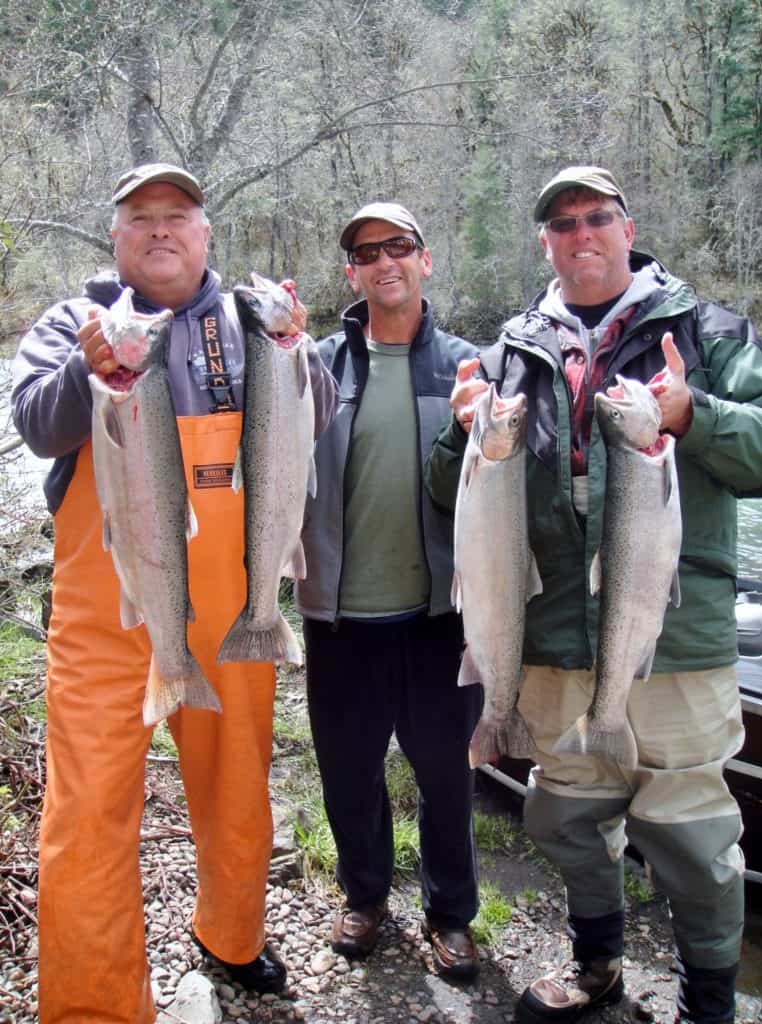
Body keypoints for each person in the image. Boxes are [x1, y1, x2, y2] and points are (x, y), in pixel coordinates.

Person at [425, 166, 762, 1024]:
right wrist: (459, 433)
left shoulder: (710, 329)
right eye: (563, 223)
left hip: (673, 637)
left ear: (628, 225)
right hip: (549, 637)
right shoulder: (509, 352)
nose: (581, 235)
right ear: (545, 241)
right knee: (567, 817)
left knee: (690, 834)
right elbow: (446, 494)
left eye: (597, 218)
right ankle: (598, 962)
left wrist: (695, 413)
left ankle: (710, 1000)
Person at [11, 162, 337, 1024]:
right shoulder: (70, 325)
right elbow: (40, 428)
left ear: (206, 234)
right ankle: (92, 1004)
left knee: (238, 780)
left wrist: (298, 350)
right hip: (107, 609)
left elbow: (320, 415)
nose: (160, 229)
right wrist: (94, 374)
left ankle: (232, 936)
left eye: (177, 215)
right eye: (140, 218)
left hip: (236, 603)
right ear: (114, 239)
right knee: (84, 813)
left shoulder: (248, 321)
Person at [294, 201, 483, 981]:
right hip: (340, 614)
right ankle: (365, 897)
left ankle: (451, 916)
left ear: (425, 259)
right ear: (352, 272)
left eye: (399, 246)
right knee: (348, 770)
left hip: (442, 616)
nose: (385, 262)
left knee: (447, 773)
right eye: (367, 252)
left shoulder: (470, 365)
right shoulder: (314, 366)